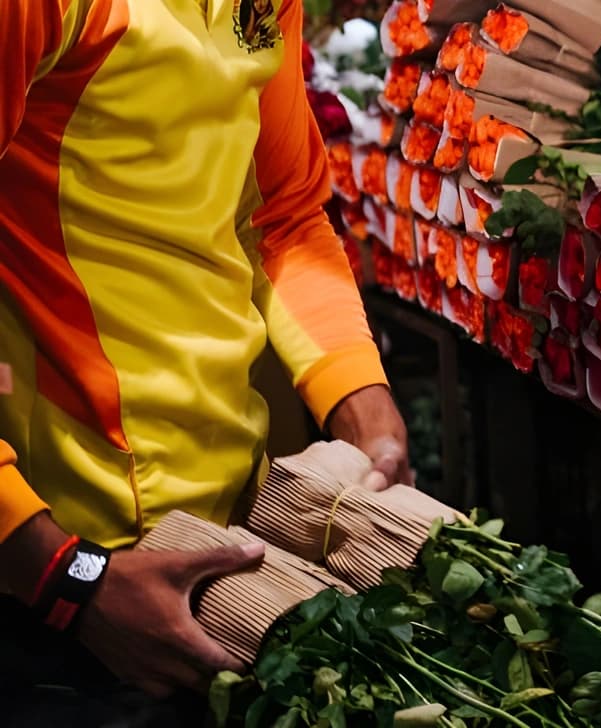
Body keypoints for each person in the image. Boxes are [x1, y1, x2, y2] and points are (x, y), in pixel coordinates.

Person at [0, 0, 409, 714]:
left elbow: (284, 213)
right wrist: (63, 576)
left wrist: (362, 405)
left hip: (231, 536)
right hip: (61, 562)